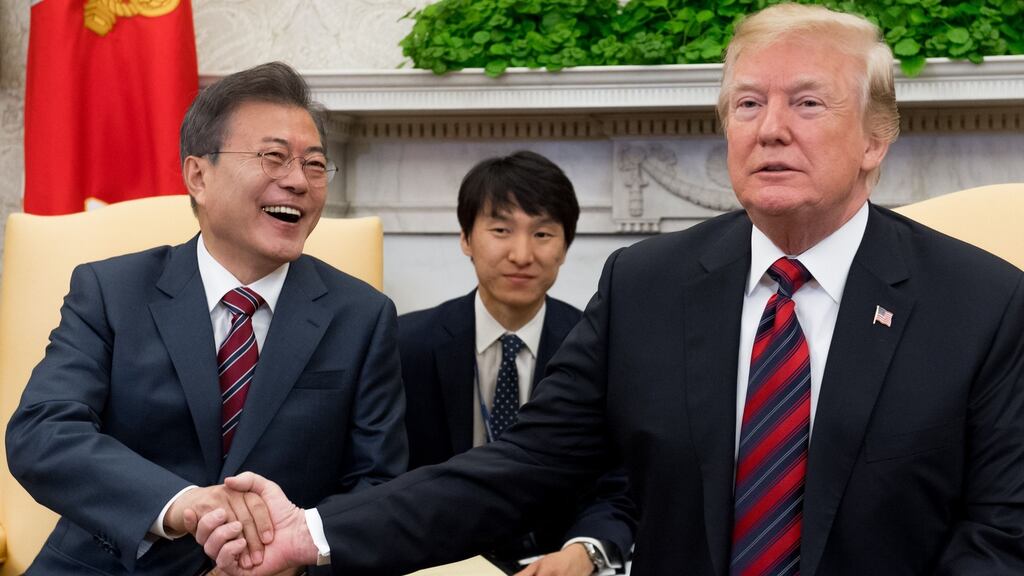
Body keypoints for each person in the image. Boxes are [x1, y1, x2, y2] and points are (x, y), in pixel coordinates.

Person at [194, 4, 1024, 575]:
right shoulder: (648, 286)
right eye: (746, 103)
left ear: (877, 138)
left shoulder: (982, 305)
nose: (770, 128)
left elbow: (1000, 534)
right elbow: (518, 468)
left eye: (807, 103)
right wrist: (311, 532)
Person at [5, 61, 407, 575]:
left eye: (313, 164)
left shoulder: (363, 316)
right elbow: (43, 433)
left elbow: (378, 489)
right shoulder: (111, 291)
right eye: (273, 158)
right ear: (198, 175)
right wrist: (182, 505)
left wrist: (297, 561)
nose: (299, 182)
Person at [399, 151, 635, 575]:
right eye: (501, 230)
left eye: (543, 234)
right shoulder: (406, 345)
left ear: (565, 246)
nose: (522, 254)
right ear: (466, 238)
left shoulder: (602, 348)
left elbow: (619, 484)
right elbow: (388, 476)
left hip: (554, 560)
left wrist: (583, 551)